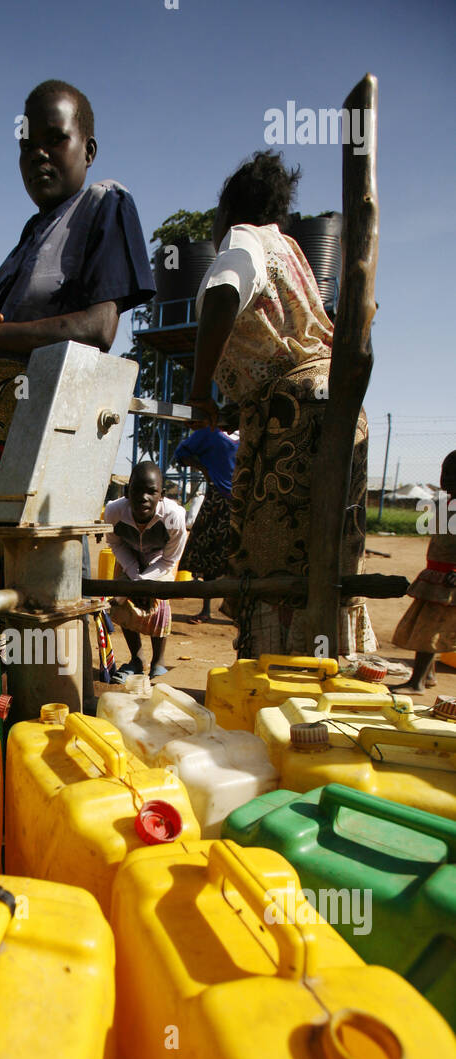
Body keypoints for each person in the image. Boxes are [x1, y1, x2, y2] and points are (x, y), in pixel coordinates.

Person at [0, 78, 155, 590]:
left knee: (48, 597)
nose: (38, 154)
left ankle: (64, 671)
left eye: (54, 139)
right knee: (2, 611)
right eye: (26, 145)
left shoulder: (104, 203)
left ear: (88, 148)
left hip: (45, 452)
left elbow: (98, 327)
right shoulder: (25, 243)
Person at [188, 150, 374, 659]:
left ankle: (278, 684)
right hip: (335, 408)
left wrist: (201, 387)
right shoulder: (293, 251)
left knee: (276, 563)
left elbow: (226, 291)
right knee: (328, 562)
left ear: (229, 210)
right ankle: (323, 680)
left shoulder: (244, 237)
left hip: (296, 422)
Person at [104, 462, 186, 680]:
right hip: (129, 556)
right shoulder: (114, 512)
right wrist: (133, 577)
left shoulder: (173, 517)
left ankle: (159, 662)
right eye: (137, 490)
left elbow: (170, 559)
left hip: (161, 560)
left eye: (151, 491)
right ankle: (137, 659)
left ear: (162, 495)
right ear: (126, 491)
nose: (143, 497)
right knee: (122, 603)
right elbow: (116, 544)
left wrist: (144, 582)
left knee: (158, 603)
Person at [391, 451, 456, 694]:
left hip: (449, 580)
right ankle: (428, 676)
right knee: (425, 626)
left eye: (454, 474)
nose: (447, 478)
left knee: (429, 631)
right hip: (435, 576)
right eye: (445, 472)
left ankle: (416, 682)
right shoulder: (446, 504)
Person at [173, 421, 239, 621]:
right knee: (209, 550)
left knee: (239, 553)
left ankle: (236, 610)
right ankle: (206, 609)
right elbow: (181, 453)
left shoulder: (251, 432)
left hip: (244, 500)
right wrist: (204, 468)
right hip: (218, 498)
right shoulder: (210, 433)